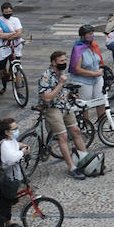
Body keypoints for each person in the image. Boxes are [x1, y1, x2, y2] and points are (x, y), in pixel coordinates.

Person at [39, 49, 92, 179]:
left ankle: (86, 160)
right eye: (61, 61)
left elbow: (61, 91)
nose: (64, 62)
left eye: (65, 60)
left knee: (76, 131)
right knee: (63, 137)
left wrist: (70, 94)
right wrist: (61, 83)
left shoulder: (60, 73)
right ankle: (71, 167)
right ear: (53, 62)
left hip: (65, 106)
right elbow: (47, 98)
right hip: (52, 108)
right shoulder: (46, 76)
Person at [0, 117, 27, 227]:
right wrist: (22, 152)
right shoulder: (3, 144)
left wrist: (21, 146)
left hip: (7, 178)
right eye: (14, 129)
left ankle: (8, 222)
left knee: (7, 200)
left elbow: (14, 144)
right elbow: (10, 158)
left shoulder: (7, 140)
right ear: (7, 132)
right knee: (3, 207)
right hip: (6, 179)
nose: (17, 131)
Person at [68, 26, 110, 125]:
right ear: (83, 36)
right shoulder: (78, 48)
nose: (92, 36)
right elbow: (76, 69)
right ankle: (86, 126)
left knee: (101, 100)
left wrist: (100, 69)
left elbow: (98, 60)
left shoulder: (93, 45)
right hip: (83, 80)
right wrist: (94, 73)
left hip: (97, 78)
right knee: (84, 105)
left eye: (92, 33)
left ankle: (102, 123)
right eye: (89, 34)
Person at [0, 1, 25, 108]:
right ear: (2, 12)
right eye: (6, 12)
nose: (8, 13)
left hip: (15, 47)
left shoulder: (16, 20)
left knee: (17, 69)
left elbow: (20, 33)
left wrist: (8, 36)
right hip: (3, 49)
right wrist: (13, 34)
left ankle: (18, 90)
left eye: (10, 11)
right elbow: (0, 34)